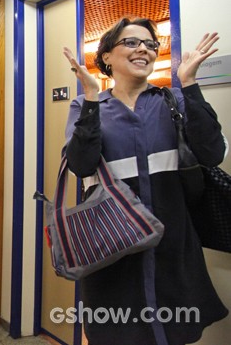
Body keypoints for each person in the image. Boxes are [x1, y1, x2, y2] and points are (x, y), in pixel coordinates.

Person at [62, 17, 227, 345]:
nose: (144, 50)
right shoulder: (86, 105)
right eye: (132, 43)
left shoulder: (173, 101)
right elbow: (80, 165)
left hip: (172, 244)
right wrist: (93, 101)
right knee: (117, 334)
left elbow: (212, 153)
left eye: (151, 45)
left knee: (174, 332)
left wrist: (190, 84)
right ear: (107, 56)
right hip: (112, 247)